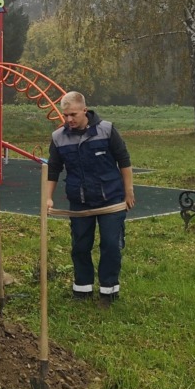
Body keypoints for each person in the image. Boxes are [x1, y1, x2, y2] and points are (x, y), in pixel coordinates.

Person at [46, 91, 135, 308]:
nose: (69, 120)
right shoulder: (58, 137)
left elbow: (124, 160)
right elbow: (53, 169)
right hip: (80, 201)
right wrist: (47, 198)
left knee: (111, 245)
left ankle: (109, 292)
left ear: (84, 110)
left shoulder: (107, 130)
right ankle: (82, 289)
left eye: (73, 114)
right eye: (65, 115)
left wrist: (129, 191)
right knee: (80, 246)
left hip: (111, 199)